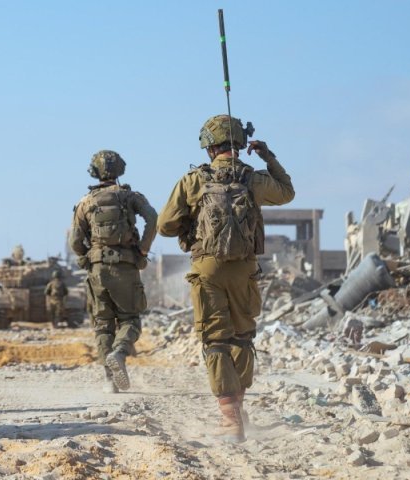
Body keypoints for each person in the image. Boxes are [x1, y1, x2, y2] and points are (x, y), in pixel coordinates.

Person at [157, 115, 294, 442]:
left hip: (208, 268)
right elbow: (287, 192)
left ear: (209, 147)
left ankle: (230, 420)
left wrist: (192, 223)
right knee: (242, 337)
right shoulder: (253, 178)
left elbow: (164, 225)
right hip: (244, 269)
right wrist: (268, 156)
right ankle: (239, 411)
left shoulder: (193, 180)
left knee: (216, 340)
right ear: (240, 144)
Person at [69, 150, 158, 393]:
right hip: (126, 267)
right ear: (120, 170)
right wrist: (143, 250)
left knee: (102, 324)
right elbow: (152, 218)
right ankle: (119, 352)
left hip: (98, 271)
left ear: (94, 172)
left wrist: (88, 257)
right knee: (130, 319)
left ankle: (110, 381)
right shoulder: (130, 196)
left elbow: (75, 241)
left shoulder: (85, 202)